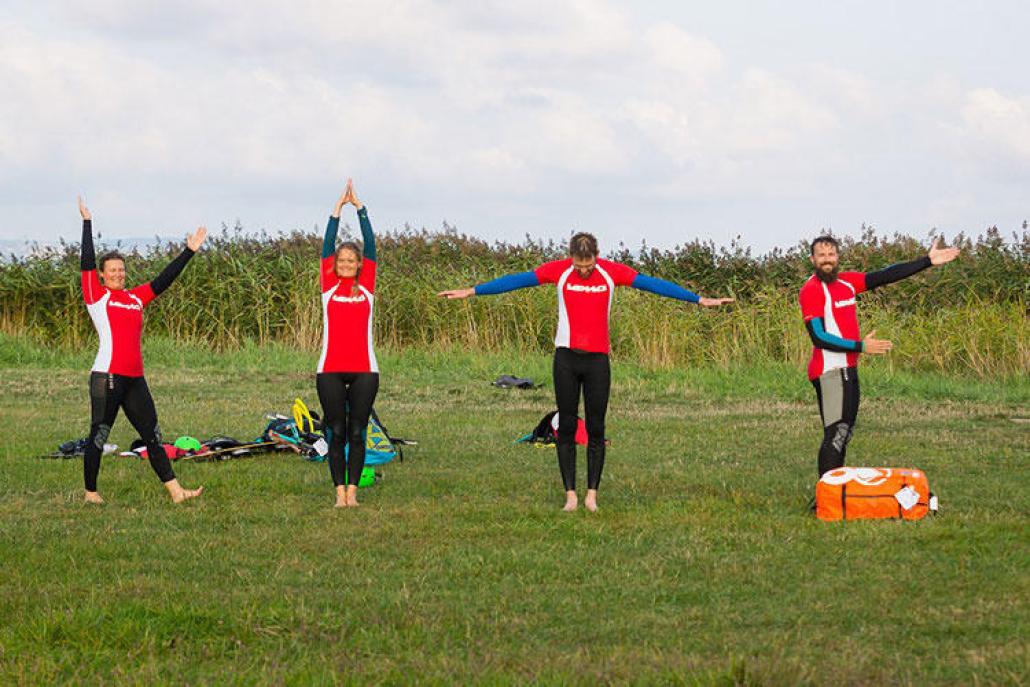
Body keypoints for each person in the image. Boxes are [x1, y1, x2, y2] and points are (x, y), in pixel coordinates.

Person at [440, 232, 733, 512]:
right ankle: (570, 495)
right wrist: (473, 291)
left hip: (597, 362)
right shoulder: (560, 271)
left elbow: (652, 284)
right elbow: (519, 280)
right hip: (566, 360)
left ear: (597, 256)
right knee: (566, 427)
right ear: (570, 258)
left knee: (596, 428)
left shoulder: (610, 272)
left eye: (588, 265)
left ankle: (592, 495)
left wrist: (698, 300)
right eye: (579, 266)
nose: (583, 271)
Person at [77, 196, 206, 503]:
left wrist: (188, 251)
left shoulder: (135, 298)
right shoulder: (97, 296)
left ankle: (176, 492)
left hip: (135, 378)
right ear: (104, 274)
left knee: (153, 435)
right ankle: (91, 492)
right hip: (107, 376)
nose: (118, 274)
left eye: (121, 270)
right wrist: (87, 223)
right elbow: (85, 262)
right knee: (99, 434)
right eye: (112, 270)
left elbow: (163, 281)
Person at [800, 235, 960, 476]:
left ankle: (835, 490)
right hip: (829, 372)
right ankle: (826, 499)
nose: (827, 260)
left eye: (831, 254)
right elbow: (819, 337)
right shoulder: (811, 290)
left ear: (838, 257)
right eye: (821, 256)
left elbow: (886, 275)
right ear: (812, 259)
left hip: (849, 369)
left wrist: (926, 261)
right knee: (836, 433)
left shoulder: (847, 282)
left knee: (844, 432)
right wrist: (861, 346)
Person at [317, 179, 379, 508]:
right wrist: (336, 211)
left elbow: (370, 244)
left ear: (358, 266)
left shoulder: (366, 285)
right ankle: (338, 493)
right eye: (340, 261)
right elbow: (327, 246)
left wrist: (361, 210)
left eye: (350, 262)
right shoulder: (328, 285)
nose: (344, 265)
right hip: (329, 370)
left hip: (365, 371)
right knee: (336, 433)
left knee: (357, 433)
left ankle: (352, 492)